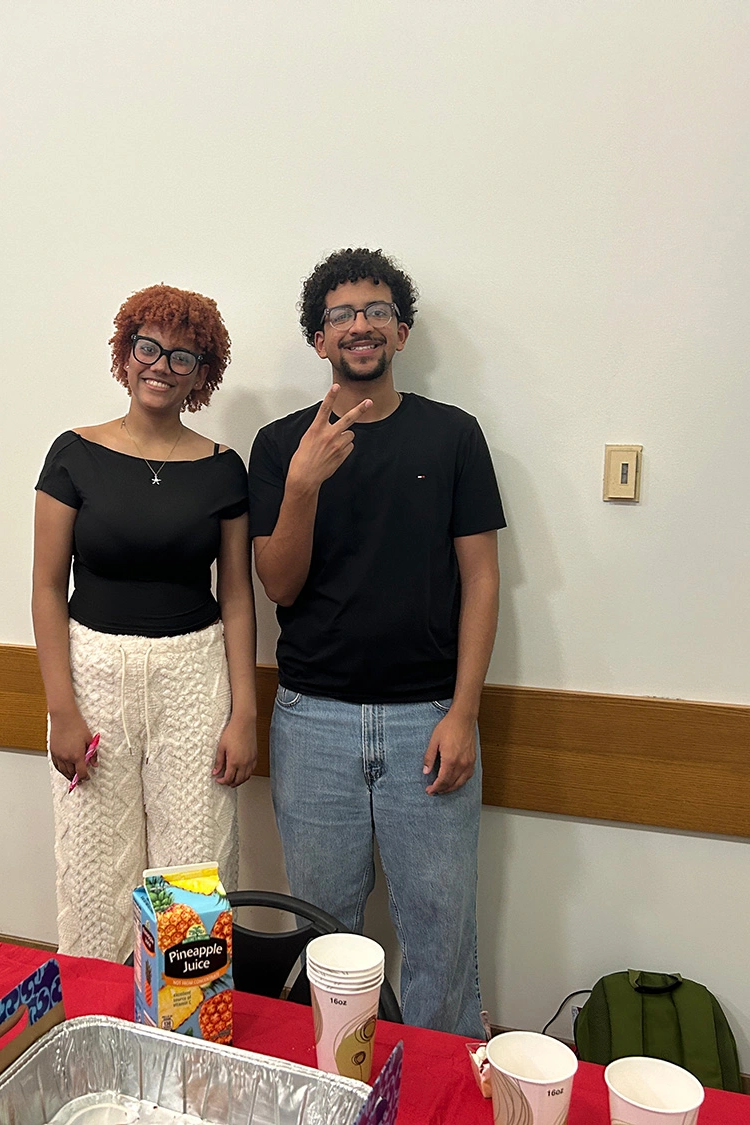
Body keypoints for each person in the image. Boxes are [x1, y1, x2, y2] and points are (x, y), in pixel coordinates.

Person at [248, 248, 505, 1037]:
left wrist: (463, 711)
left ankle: (437, 1098)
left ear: (401, 330)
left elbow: (483, 580)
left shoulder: (452, 436)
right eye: (340, 315)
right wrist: (302, 484)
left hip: (426, 716)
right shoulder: (279, 444)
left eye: (375, 310)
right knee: (330, 942)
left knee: (440, 939)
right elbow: (279, 586)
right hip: (312, 719)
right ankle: (339, 1088)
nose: (359, 325)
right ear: (318, 340)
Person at [32, 284, 258, 962]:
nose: (161, 364)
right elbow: (46, 588)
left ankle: (189, 1047)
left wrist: (245, 711)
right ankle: (98, 1041)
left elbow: (239, 596)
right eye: (148, 347)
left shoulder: (224, 470)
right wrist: (60, 709)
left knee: (192, 879)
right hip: (92, 672)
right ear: (125, 354)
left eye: (182, 356)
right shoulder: (73, 453)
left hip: (195, 674)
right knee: (97, 879)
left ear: (202, 373)